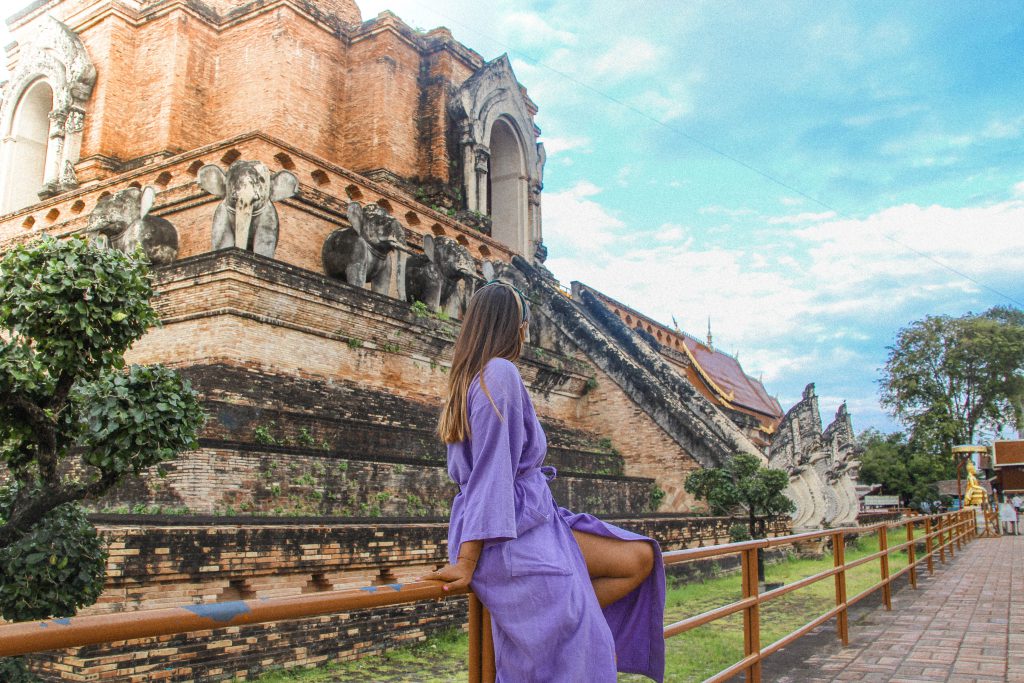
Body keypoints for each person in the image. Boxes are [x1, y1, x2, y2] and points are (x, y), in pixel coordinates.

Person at [424, 281, 666, 682]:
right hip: (508, 534)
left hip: (529, 522)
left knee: (638, 558)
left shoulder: (480, 376)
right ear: (511, 325)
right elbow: (491, 473)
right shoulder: (498, 374)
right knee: (578, 637)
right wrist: (466, 562)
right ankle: (559, 627)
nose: (526, 332)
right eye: (524, 322)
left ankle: (559, 623)